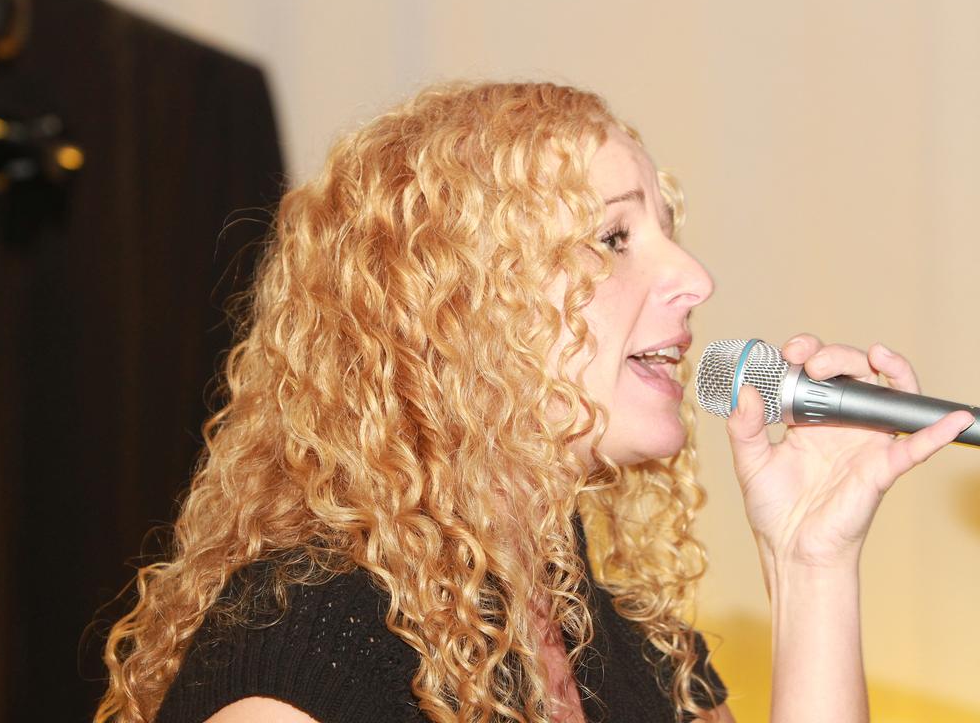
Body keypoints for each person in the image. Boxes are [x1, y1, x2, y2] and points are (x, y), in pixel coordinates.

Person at [94, 82, 972, 723]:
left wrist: (812, 562)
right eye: (613, 237)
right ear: (458, 305)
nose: (694, 278)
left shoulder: (639, 655)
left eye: (668, 233)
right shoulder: (313, 638)